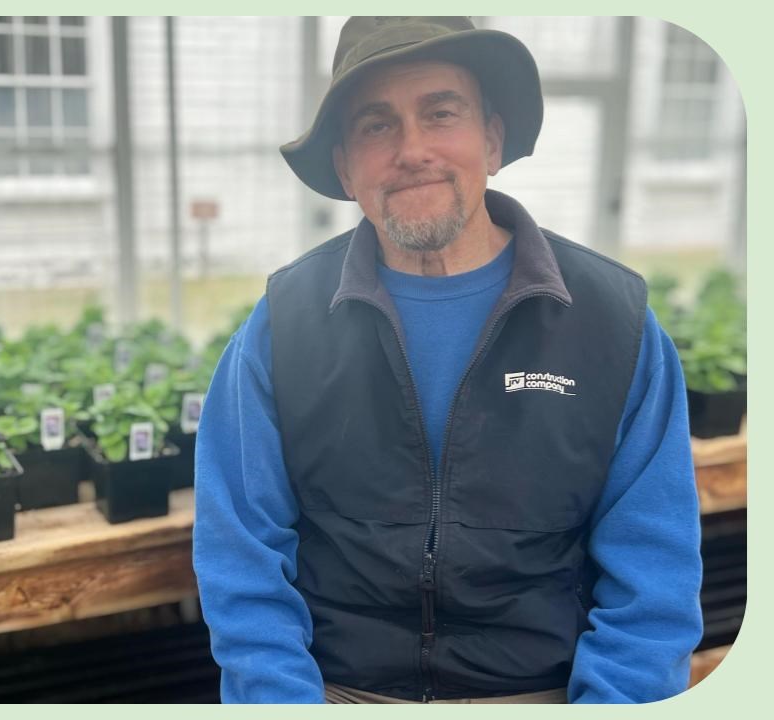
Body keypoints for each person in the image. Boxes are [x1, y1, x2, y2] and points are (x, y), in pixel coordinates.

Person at [193, 16, 703, 704]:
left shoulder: (612, 324)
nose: (412, 150)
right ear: (345, 167)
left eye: (441, 113)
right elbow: (241, 559)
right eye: (376, 126)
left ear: (491, 138)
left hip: (542, 692)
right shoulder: (282, 326)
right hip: (339, 691)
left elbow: (656, 582)